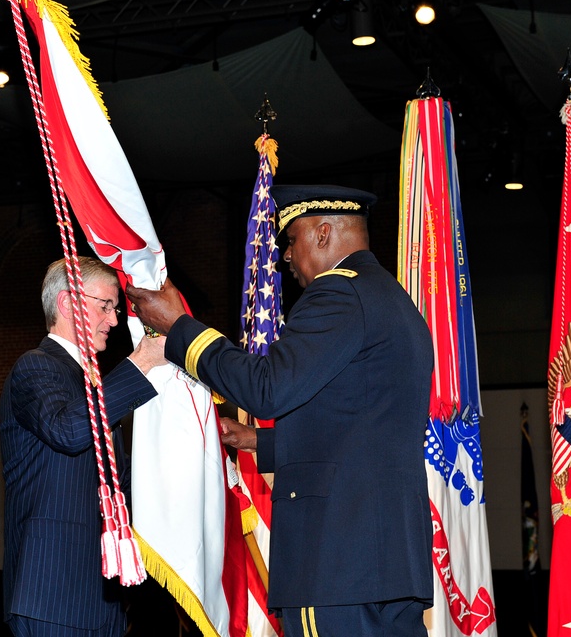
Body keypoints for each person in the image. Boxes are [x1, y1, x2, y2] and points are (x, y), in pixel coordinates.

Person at [126, 185, 435, 637]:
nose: (286, 256)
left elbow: (267, 388)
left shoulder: (338, 297)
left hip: (335, 562)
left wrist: (178, 328)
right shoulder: (394, 301)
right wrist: (255, 441)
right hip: (385, 561)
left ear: (324, 233)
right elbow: (362, 428)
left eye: (291, 240)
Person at [0, 256, 168, 637]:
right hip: (53, 592)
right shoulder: (36, 367)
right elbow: (70, 431)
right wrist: (141, 361)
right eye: (105, 306)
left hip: (103, 594)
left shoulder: (93, 385)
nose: (113, 320)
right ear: (66, 303)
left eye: (116, 309)